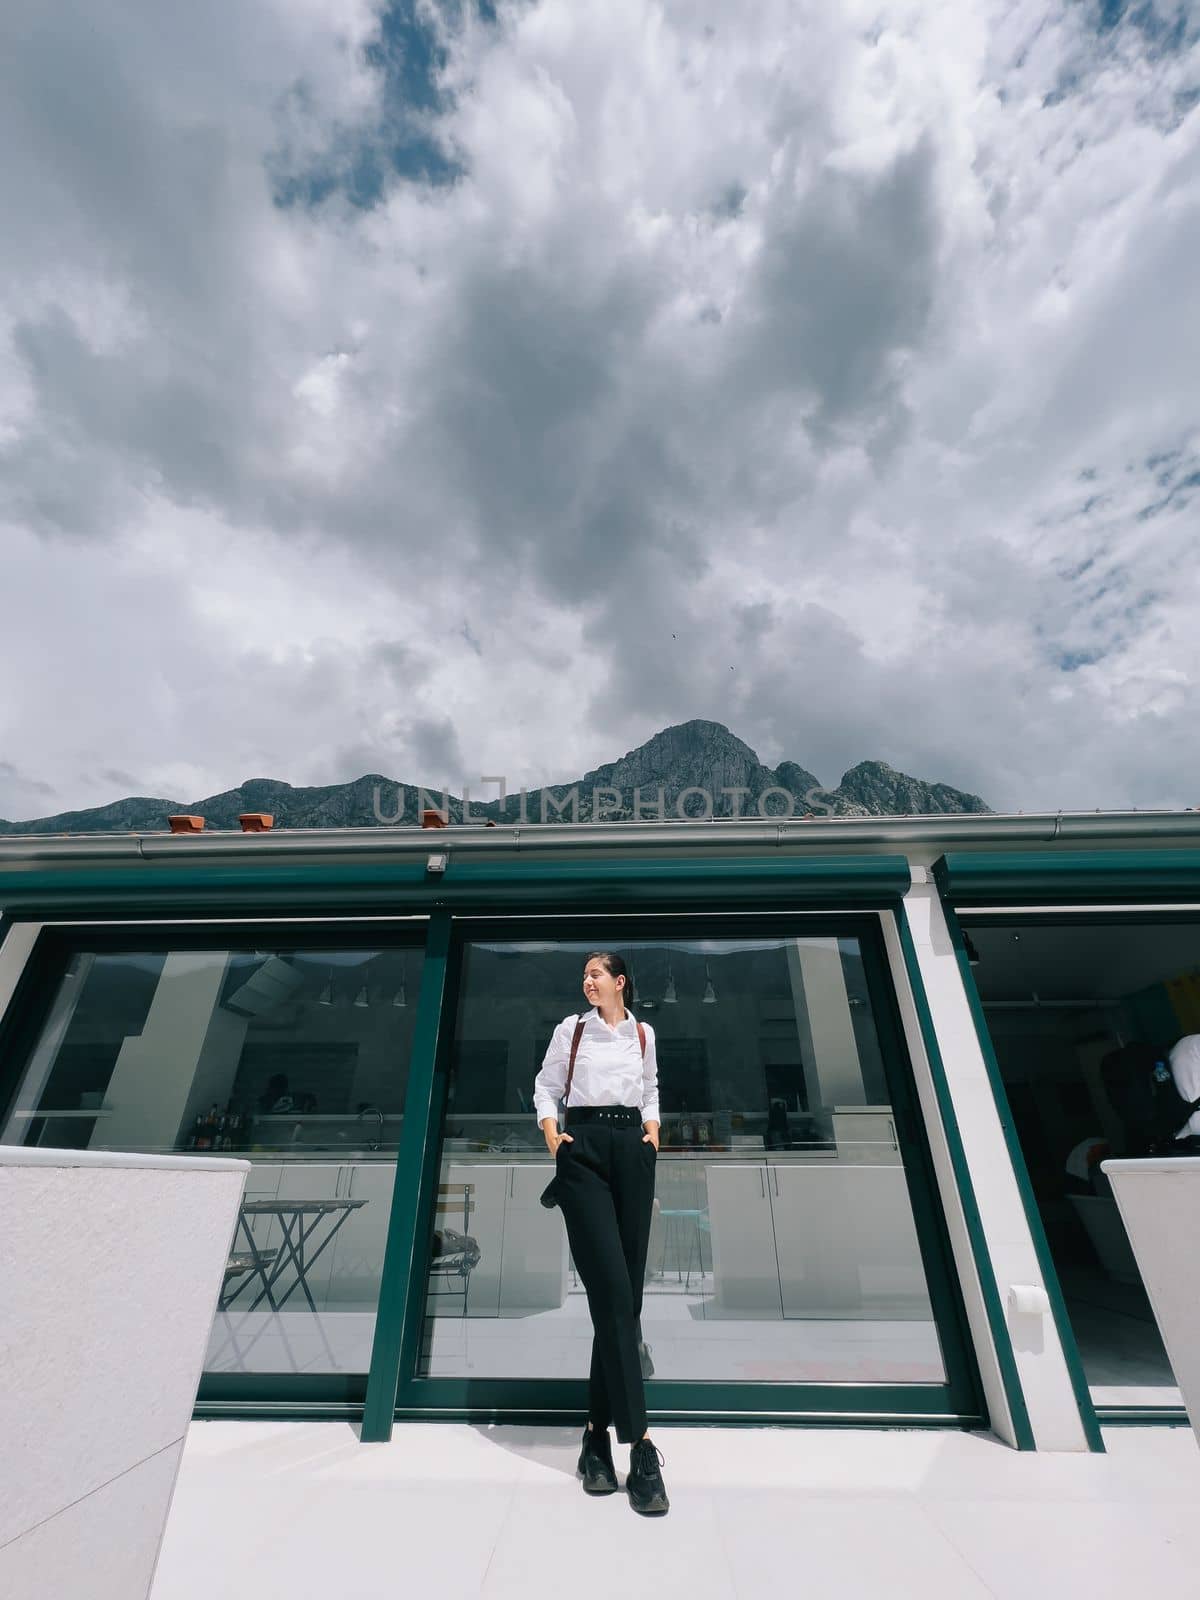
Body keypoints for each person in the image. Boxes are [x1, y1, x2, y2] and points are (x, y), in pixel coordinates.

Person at [532, 951, 669, 1515]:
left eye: (596, 974)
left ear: (620, 982)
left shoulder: (642, 1032)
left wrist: (653, 1134)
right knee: (613, 1293)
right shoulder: (571, 1030)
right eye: (583, 975)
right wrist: (551, 1136)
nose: (587, 981)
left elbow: (652, 1089)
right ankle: (639, 1446)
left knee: (625, 1300)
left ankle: (593, 1437)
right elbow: (545, 1087)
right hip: (582, 1152)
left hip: (632, 1153)